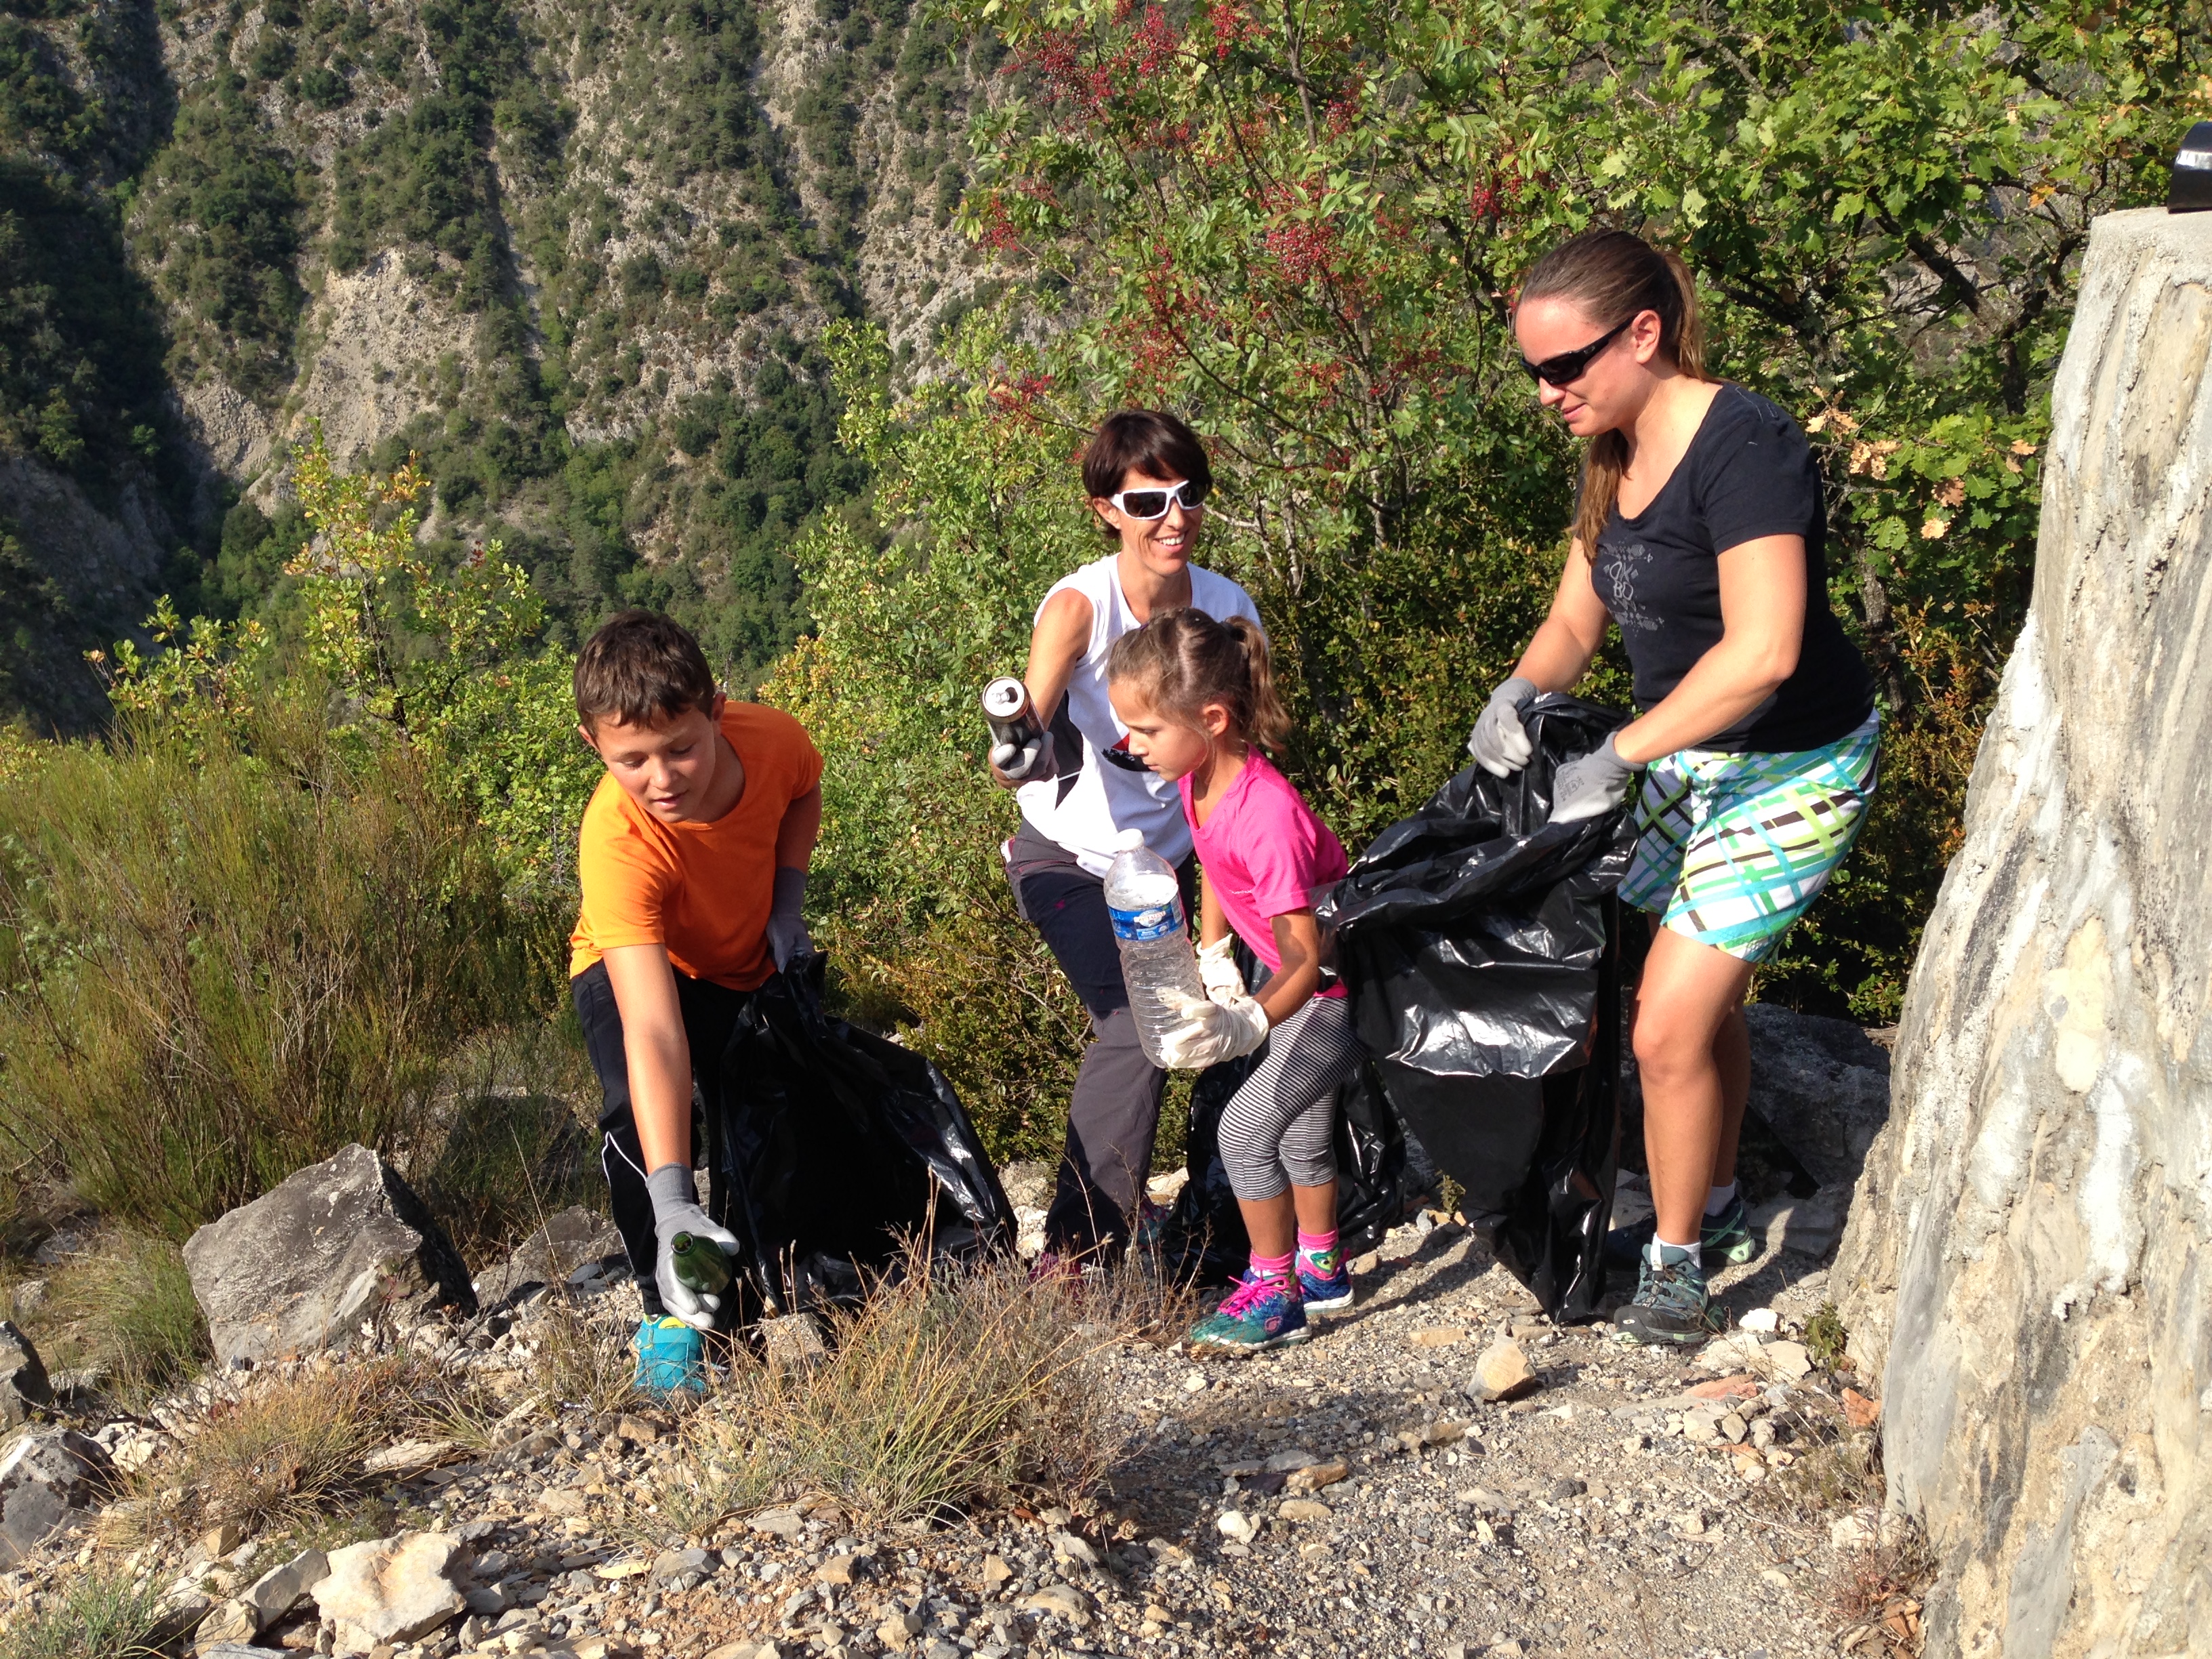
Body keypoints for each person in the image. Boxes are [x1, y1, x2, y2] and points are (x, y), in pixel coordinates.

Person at [1468, 228, 1879, 1346]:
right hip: (1682, 756)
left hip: (1788, 763)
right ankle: (1723, 1198)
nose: (1547, 392)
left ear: (1642, 334)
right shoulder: (1610, 451)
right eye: (1533, 371)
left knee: (1663, 1027)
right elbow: (1574, 621)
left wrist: (1618, 755)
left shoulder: (1746, 446)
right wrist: (1517, 693)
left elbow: (1763, 652)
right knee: (1693, 1005)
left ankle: (1677, 1264)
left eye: (1566, 366)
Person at [989, 410, 1264, 1268]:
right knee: (1138, 1023)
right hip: (1066, 860)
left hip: (1174, 864)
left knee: (1238, 1011)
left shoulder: (1227, 609)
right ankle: (1076, 1252)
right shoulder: (1081, 606)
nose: (1174, 518)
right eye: (1148, 502)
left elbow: (1240, 774)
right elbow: (1026, 727)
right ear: (1106, 510)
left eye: (1190, 494)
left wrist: (1221, 935)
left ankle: (1225, 1219)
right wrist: (1016, 750)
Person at [567, 610, 824, 1393]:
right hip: (634, 962)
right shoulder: (617, 841)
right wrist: (675, 1201)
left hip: (738, 958)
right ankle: (670, 1316)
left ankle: (734, 1309)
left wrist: (788, 904)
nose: (663, 778)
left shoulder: (772, 741)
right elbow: (652, 1029)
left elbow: (804, 792)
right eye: (632, 760)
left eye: (680, 748)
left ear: (717, 711)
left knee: (756, 1117)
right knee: (641, 1116)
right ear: (594, 746)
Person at [1106, 609, 1360, 1353]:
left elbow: (1306, 959)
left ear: (1211, 719)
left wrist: (1250, 1020)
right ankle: (1322, 1270)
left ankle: (1273, 1292)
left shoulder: (1267, 815)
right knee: (1301, 1135)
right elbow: (1214, 865)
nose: (1132, 745)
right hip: (1298, 985)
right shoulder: (1200, 780)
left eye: (1146, 729)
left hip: (1332, 994)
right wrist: (1214, 952)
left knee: (1245, 1131)